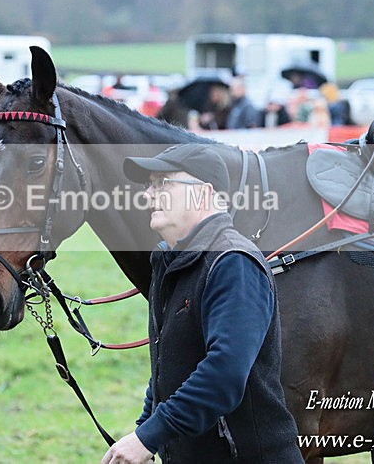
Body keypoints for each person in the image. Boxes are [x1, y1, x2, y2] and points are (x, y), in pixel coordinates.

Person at [105, 144, 303, 463]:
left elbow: (224, 374)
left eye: (163, 183)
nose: (149, 195)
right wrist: (146, 428)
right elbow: (171, 363)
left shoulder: (232, 263)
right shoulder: (169, 261)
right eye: (149, 185)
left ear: (203, 193)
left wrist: (148, 437)